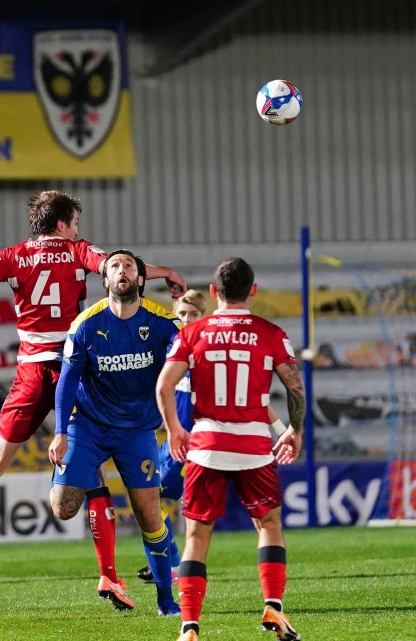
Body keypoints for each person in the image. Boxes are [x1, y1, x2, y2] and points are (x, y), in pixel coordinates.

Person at [0, 191, 186, 578]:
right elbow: (118, 271)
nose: (78, 229)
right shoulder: (77, 250)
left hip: (30, 371)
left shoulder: (12, 257)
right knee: (89, 469)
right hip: (74, 371)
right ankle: (109, 575)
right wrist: (165, 272)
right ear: (62, 224)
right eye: (75, 222)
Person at [156, 257, 306, 641]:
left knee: (196, 537)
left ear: (213, 291)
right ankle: (273, 606)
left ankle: (189, 627)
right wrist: (293, 431)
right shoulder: (270, 333)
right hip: (254, 446)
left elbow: (164, 387)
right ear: (252, 290)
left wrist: (175, 430)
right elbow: (294, 386)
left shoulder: (193, 333)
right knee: (269, 525)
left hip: (206, 445)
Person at [48, 249, 182, 616]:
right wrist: (60, 432)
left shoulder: (163, 324)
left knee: (149, 516)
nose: (121, 270)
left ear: (140, 279)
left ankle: (166, 601)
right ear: (104, 280)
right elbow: (67, 381)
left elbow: (187, 361)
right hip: (87, 425)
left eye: (129, 266)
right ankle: (88, 477)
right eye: (114, 266)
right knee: (62, 507)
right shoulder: (85, 325)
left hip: (136, 430)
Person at [136, 289, 209, 584]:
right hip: (173, 439)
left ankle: (174, 565)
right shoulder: (170, 349)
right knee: (150, 499)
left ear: (203, 317)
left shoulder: (207, 351)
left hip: (197, 441)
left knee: (157, 500)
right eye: (182, 314)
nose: (187, 319)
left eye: (193, 314)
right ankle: (172, 562)